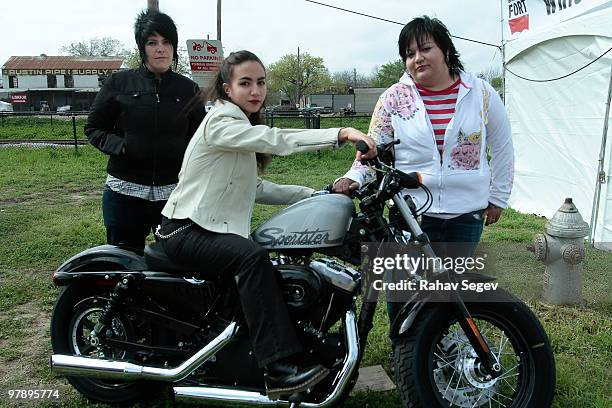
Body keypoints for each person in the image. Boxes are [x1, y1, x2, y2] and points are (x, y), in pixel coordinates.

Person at [157, 50, 375, 399]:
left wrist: (315, 194)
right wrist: (341, 133)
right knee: (251, 257)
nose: (255, 90)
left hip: (208, 229)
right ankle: (278, 367)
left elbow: (257, 188)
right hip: (184, 228)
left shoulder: (240, 125)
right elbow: (278, 139)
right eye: (245, 83)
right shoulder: (220, 122)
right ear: (227, 89)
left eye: (260, 82)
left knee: (270, 260)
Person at [333, 16, 514, 329]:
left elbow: (502, 148)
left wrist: (498, 196)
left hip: (465, 213)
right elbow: (371, 149)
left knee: (450, 291)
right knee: (403, 291)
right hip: (409, 212)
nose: (417, 58)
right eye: (409, 53)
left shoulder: (481, 93)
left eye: (425, 48)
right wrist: (354, 177)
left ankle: (443, 354)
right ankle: (404, 354)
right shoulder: (393, 97)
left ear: (445, 50)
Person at [85, 10, 205, 252]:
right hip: (124, 193)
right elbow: (94, 127)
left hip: (175, 195)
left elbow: (200, 137)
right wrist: (122, 146)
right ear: (142, 48)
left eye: (166, 42)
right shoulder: (119, 83)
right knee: (126, 262)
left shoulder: (189, 89)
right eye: (152, 43)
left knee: (176, 263)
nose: (160, 49)